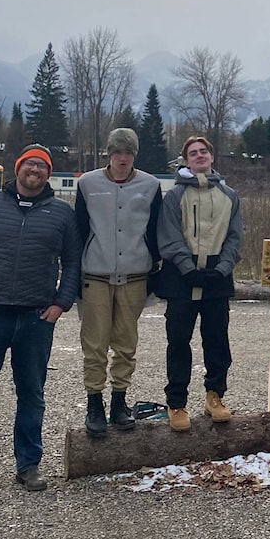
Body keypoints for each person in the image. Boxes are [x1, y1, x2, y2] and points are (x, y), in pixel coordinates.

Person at [0, 144, 82, 491]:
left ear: (48, 173)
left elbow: (73, 261)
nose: (34, 170)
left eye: (41, 166)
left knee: (31, 394)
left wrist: (61, 304)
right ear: (18, 169)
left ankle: (28, 465)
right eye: (29, 164)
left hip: (35, 319)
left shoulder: (61, 213)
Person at [75, 128, 162, 437]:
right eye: (116, 152)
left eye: (128, 152)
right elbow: (79, 230)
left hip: (134, 276)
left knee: (126, 344)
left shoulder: (150, 186)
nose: (122, 158)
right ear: (108, 154)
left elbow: (155, 231)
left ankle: (119, 402)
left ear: (134, 155)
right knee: (95, 344)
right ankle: (94, 405)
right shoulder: (87, 184)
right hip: (95, 276)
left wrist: (155, 270)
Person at [154, 135, 243, 432]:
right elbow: (168, 235)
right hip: (181, 277)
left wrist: (223, 267)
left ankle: (214, 395)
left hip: (217, 275)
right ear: (186, 161)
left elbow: (234, 237)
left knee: (217, 340)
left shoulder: (229, 195)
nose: (199, 155)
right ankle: (177, 402)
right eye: (193, 153)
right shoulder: (174, 196)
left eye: (203, 151)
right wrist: (186, 267)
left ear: (212, 156)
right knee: (178, 341)